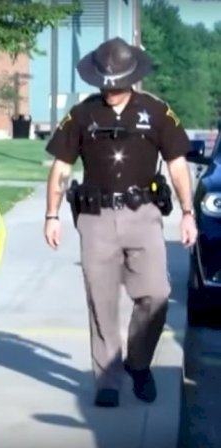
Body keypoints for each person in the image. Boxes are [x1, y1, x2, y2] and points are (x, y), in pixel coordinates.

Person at [43, 37, 198, 408]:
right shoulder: (81, 115)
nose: (109, 90)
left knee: (157, 294)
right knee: (102, 302)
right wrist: (52, 214)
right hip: (95, 219)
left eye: (116, 83)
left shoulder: (157, 112)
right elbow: (61, 167)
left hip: (143, 216)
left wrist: (187, 212)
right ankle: (107, 380)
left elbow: (178, 164)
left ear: (132, 77)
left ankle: (138, 362)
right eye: (104, 83)